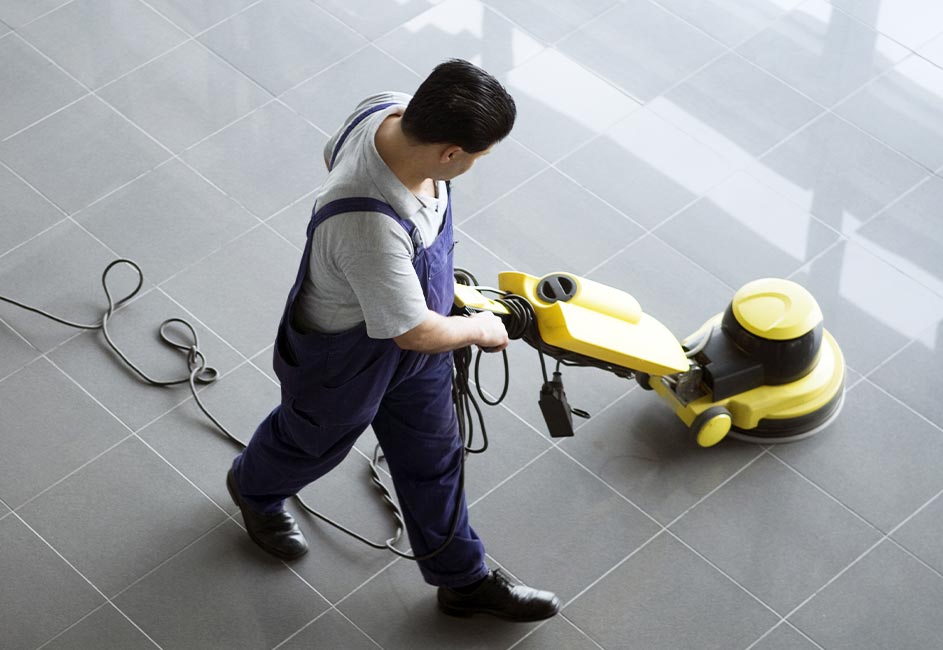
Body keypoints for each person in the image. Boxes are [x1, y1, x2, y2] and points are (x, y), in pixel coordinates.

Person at [226, 59, 560, 622]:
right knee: (310, 442)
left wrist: (414, 287)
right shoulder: (368, 225)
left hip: (410, 338)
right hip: (346, 355)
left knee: (433, 455)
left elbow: (330, 149)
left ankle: (462, 579)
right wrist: (480, 329)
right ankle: (253, 488)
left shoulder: (389, 108)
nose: (473, 167)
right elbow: (415, 332)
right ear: (450, 154)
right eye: (476, 157)